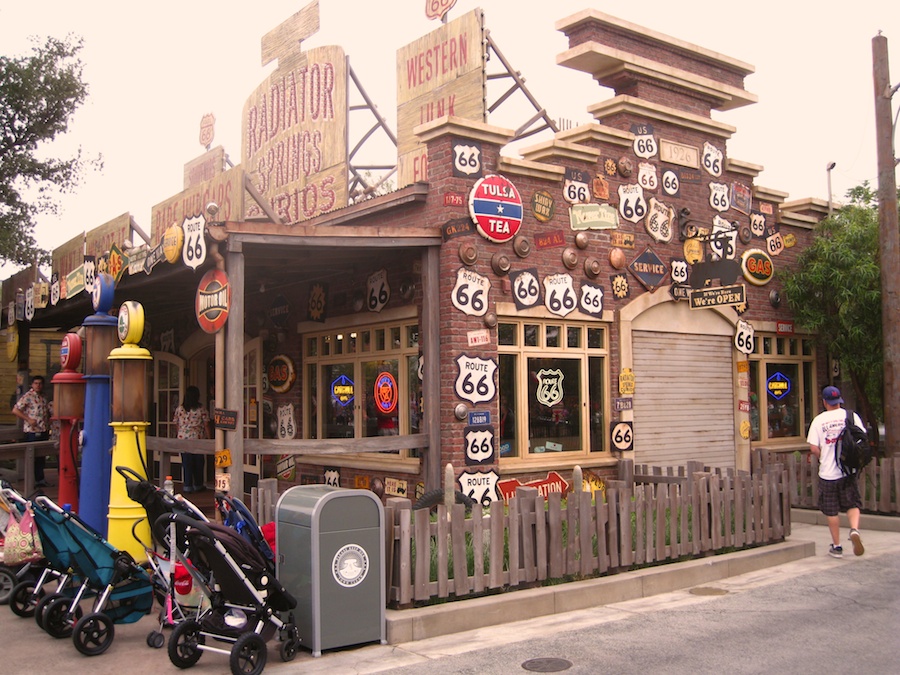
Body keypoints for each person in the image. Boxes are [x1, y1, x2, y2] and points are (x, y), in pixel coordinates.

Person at [806, 385, 865, 558]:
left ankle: (837, 546)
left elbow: (813, 447)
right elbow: (862, 438)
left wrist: (824, 454)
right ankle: (854, 530)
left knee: (831, 510)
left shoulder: (819, 420)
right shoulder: (851, 416)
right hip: (848, 471)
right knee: (853, 503)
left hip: (828, 473)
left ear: (824, 402)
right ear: (839, 400)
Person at [11, 375, 51, 487]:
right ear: (32, 384)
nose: (38, 386)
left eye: (40, 383)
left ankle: (40, 479)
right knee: (31, 457)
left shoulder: (43, 397)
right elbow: (15, 410)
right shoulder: (28, 396)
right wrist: (28, 419)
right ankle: (30, 481)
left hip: (44, 429)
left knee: (41, 457)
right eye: (36, 383)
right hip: (32, 431)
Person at [173, 386, 210, 493]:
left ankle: (187, 485)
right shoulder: (200, 409)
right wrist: (209, 438)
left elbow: (176, 423)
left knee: (186, 462)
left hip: (182, 438)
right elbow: (206, 424)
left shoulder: (180, 408)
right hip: (197, 438)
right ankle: (198, 484)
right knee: (198, 462)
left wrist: (180, 433)